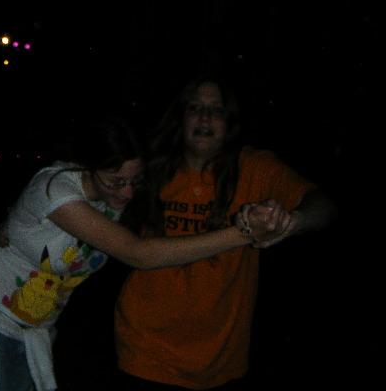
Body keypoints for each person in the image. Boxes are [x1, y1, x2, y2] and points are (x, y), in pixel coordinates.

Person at [0, 114, 288, 391]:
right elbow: (139, 253)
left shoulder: (113, 203)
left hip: (33, 332)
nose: (126, 192)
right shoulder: (57, 189)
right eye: (116, 181)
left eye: (135, 181)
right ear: (89, 165)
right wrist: (242, 234)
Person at [113, 74, 338, 390]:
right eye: (195, 108)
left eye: (216, 110)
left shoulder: (255, 168)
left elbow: (325, 206)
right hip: (144, 350)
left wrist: (293, 221)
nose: (205, 118)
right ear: (181, 117)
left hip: (219, 360)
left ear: (229, 121)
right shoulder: (151, 168)